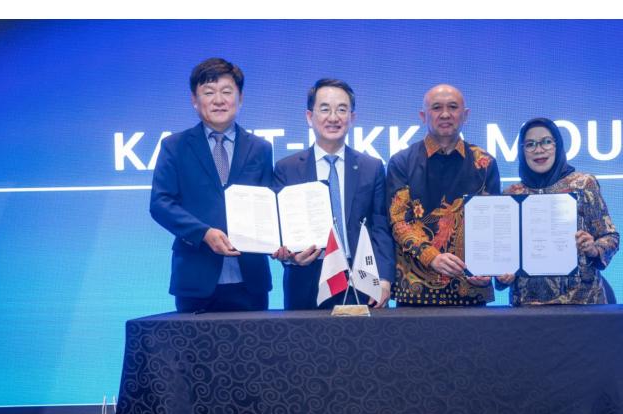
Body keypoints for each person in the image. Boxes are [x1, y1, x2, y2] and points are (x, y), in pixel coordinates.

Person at [150, 57, 276, 312]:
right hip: (195, 278)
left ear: (240, 98)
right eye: (209, 92)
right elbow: (160, 203)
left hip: (250, 280)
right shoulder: (174, 147)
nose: (219, 100)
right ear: (194, 100)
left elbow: (269, 205)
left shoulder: (260, 148)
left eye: (227, 92)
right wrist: (203, 233)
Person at [273, 78, 394, 310]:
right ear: (309, 117)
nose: (333, 117)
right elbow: (280, 229)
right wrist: (291, 257)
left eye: (342, 109)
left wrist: (385, 278)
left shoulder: (371, 167)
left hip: (362, 281)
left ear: (352, 118)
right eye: (325, 109)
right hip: (306, 280)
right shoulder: (287, 168)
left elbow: (380, 227)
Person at [387, 84, 500, 306]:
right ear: (423, 116)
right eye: (437, 107)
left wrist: (489, 267)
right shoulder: (402, 162)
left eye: (453, 107)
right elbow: (398, 221)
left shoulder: (485, 162)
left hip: (471, 289)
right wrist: (432, 257)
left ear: (465, 115)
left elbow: (495, 225)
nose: (445, 114)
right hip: (416, 293)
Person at [496, 117, 619, 305]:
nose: (539, 150)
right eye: (530, 144)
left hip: (582, 304)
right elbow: (503, 254)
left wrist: (594, 248)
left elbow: (610, 237)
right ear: (522, 151)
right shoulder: (512, 195)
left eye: (546, 142)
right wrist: (503, 274)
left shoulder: (584, 185)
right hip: (528, 308)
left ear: (558, 145)